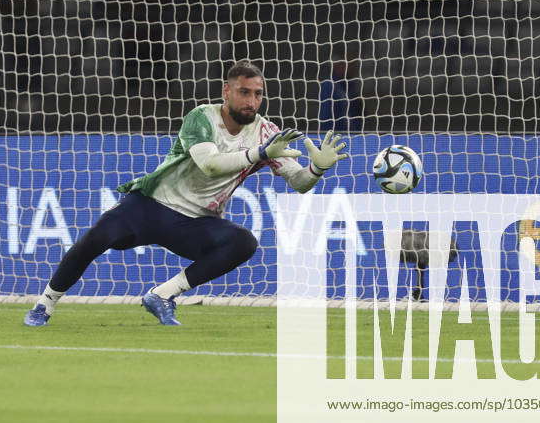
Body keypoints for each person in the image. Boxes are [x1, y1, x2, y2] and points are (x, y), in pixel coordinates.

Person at [24, 59, 348, 326]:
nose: (251, 102)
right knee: (94, 240)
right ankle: (45, 304)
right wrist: (259, 155)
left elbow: (299, 182)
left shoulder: (267, 133)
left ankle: (163, 294)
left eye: (258, 95)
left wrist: (316, 168)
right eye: (244, 92)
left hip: (196, 222)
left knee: (244, 242)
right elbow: (210, 165)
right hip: (150, 206)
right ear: (227, 91)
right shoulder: (201, 117)